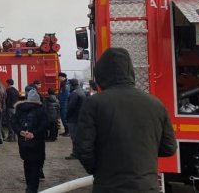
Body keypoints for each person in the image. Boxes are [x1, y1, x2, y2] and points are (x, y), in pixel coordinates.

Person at [74, 48, 177, 192]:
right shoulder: (156, 104)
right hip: (147, 186)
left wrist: (97, 170)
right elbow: (169, 148)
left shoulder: (94, 103)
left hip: (109, 186)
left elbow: (83, 148)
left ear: (101, 73)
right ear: (130, 72)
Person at [12, 90, 49, 193]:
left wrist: (21, 132)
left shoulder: (19, 109)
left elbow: (14, 123)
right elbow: (45, 125)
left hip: (23, 142)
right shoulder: (41, 110)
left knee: (27, 163)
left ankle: (29, 186)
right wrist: (34, 133)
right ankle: (32, 188)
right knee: (36, 165)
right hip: (37, 142)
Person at [64, 78, 86, 159]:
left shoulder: (74, 93)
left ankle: (75, 154)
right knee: (79, 137)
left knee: (75, 137)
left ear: (71, 84)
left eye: (68, 84)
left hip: (73, 118)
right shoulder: (82, 91)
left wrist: (67, 116)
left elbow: (71, 107)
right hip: (80, 117)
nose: (67, 86)